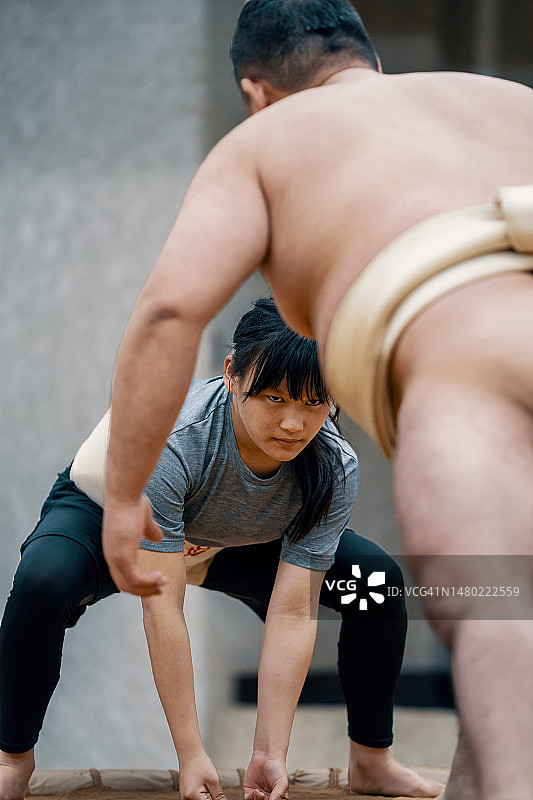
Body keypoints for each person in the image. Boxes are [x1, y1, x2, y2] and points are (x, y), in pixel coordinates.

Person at [98, 2, 533, 799]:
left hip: (470, 367)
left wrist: (123, 493)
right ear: (369, 61)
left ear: (255, 92)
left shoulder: (268, 139)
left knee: (496, 616)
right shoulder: (506, 101)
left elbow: (168, 312)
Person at [0, 298, 443, 800]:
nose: (294, 424)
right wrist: (192, 755)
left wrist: (268, 755)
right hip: (113, 519)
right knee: (42, 580)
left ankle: (372, 761)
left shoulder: (332, 465)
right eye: (274, 398)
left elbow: (293, 610)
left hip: (231, 542)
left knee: (375, 582)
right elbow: (162, 604)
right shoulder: (175, 441)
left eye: (313, 402)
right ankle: (12, 757)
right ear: (231, 373)